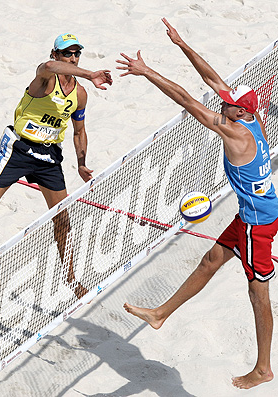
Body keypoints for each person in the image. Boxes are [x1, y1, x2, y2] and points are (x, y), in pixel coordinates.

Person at [116, 18, 278, 390]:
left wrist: (147, 71)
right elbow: (213, 80)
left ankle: (263, 367)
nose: (224, 104)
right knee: (210, 261)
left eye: (230, 105)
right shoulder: (252, 117)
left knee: (258, 293)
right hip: (257, 211)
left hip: (258, 224)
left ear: (241, 111)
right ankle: (160, 313)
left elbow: (187, 100)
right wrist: (181, 44)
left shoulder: (233, 130)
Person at [0, 33, 112, 298]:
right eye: (67, 53)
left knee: (62, 220)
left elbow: (79, 131)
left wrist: (82, 163)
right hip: (17, 150)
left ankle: (71, 280)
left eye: (76, 54)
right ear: (55, 54)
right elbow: (49, 68)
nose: (72, 58)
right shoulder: (45, 77)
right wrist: (88, 73)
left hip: (49, 158)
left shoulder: (80, 94)